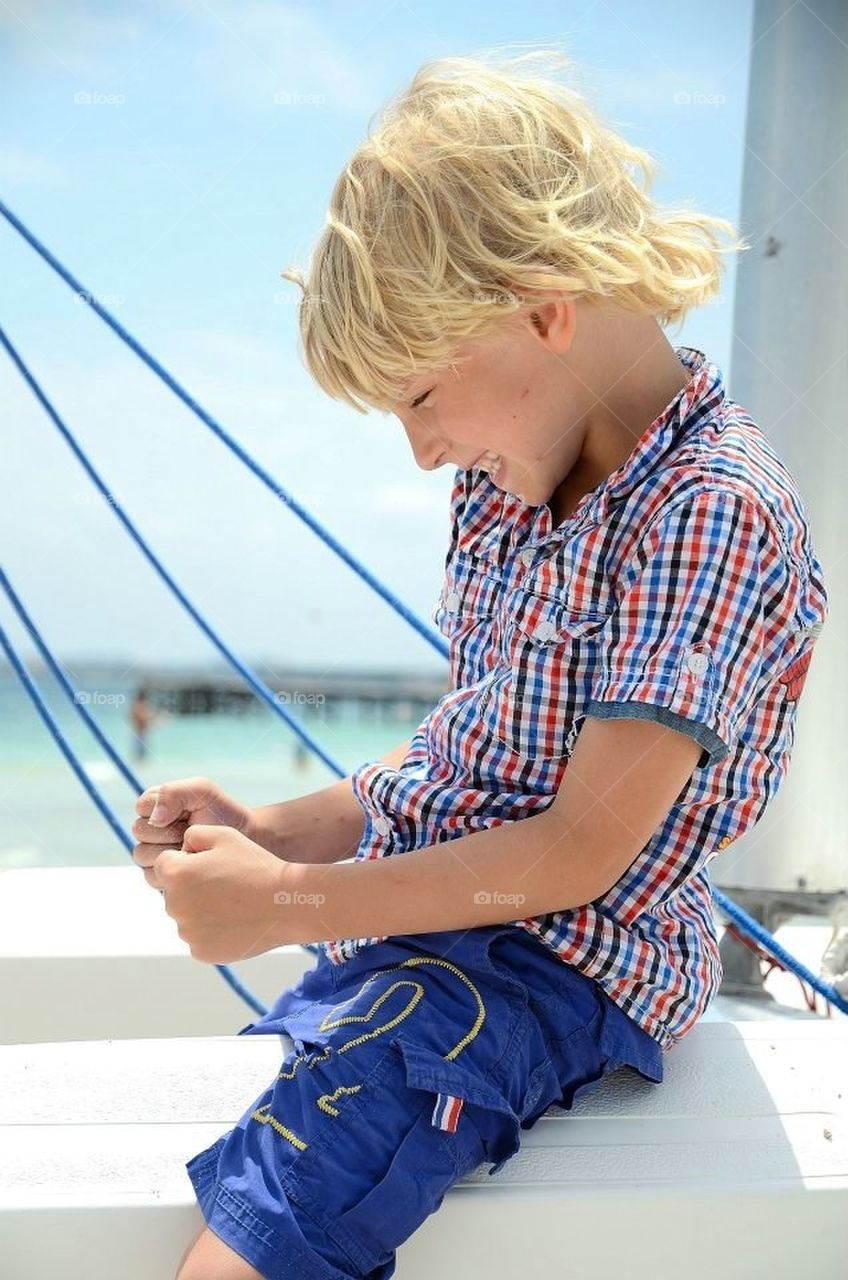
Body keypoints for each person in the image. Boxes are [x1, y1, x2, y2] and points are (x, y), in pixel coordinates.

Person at [131, 50, 828, 1280]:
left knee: (245, 1244)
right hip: (440, 926)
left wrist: (285, 904)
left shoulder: (707, 510)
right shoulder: (503, 484)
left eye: (418, 398)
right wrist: (284, 829)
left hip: (552, 964)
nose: (419, 451)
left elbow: (575, 849)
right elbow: (472, 748)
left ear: (541, 310)